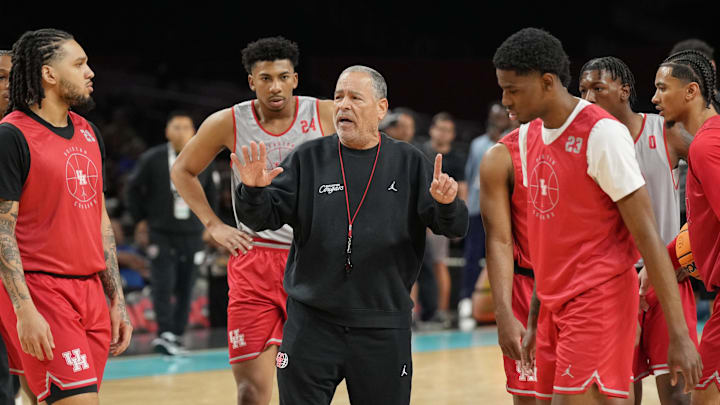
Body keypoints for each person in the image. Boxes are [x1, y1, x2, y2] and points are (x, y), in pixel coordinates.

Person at [231, 65, 468, 405]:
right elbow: (262, 217)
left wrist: (447, 204)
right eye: (338, 97)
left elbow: (454, 227)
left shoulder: (410, 162)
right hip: (312, 324)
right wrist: (252, 192)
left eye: (355, 97)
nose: (343, 105)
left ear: (381, 109)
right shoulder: (308, 158)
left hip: (382, 326)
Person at [493, 27, 701, 403]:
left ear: (546, 82)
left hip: (599, 302)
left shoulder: (602, 133)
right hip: (552, 307)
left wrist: (680, 336)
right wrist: (534, 319)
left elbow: (648, 236)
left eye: (513, 89)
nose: (505, 100)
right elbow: (549, 243)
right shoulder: (526, 139)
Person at [170, 36, 334, 405]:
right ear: (251, 81)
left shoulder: (323, 114)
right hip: (255, 261)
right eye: (265, 78)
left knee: (307, 388)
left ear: (295, 78)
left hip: (311, 263)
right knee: (250, 393)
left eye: (282, 76)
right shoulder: (228, 121)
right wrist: (214, 225)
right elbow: (182, 170)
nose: (274, 86)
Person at [0, 28, 132, 405]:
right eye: (79, 64)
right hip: (43, 291)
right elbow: (2, 229)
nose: (90, 72)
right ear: (49, 74)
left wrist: (116, 300)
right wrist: (24, 310)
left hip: (90, 291)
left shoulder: (89, 132)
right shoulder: (11, 136)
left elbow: (100, 220)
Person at [579, 56, 697, 405]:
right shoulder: (584, 144)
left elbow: (711, 179)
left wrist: (684, 250)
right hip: (613, 284)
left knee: (677, 395)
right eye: (583, 90)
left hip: (667, 278)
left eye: (597, 88)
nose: (587, 98)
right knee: (621, 397)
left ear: (624, 90)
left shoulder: (664, 131)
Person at [653, 49, 720, 405]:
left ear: (691, 91)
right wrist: (668, 259)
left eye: (663, 88)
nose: (654, 98)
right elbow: (705, 222)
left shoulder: (705, 145)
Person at [126, 111, 217, 356]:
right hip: (161, 231)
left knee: (188, 284)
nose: (181, 132)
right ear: (167, 131)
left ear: (194, 131)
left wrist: (212, 224)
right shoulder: (153, 158)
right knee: (162, 282)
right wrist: (140, 219)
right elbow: (132, 189)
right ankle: (164, 332)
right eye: (175, 127)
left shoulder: (203, 158)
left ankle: (176, 334)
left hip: (192, 232)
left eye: (186, 127)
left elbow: (212, 193)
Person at [479, 120, 535, 403]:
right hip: (526, 288)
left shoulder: (592, 137)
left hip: (580, 290)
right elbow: (499, 240)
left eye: (514, 90)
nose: (506, 101)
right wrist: (503, 313)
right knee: (528, 397)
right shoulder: (501, 155)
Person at [458, 101, 513, 329]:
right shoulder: (477, 144)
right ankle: (466, 302)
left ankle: (508, 306)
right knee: (472, 257)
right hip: (476, 208)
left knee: (503, 254)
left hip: (502, 209)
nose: (498, 118)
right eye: (495, 115)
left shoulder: (513, 140)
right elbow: (470, 176)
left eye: (502, 114)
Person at [420, 112, 468, 324]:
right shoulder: (421, 151)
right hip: (419, 217)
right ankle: (413, 313)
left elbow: (463, 190)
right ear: (432, 129)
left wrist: (455, 218)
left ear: (452, 134)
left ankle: (441, 310)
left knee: (439, 263)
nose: (443, 133)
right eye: (440, 128)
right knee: (414, 264)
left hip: (440, 219)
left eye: (447, 130)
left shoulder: (456, 158)